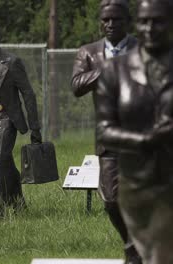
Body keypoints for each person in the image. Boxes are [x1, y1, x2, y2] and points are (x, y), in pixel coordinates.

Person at [95, 0, 173, 263]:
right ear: (136, 25)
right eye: (144, 21)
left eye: (158, 21)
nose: (150, 28)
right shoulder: (115, 70)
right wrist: (146, 140)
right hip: (137, 183)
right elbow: (105, 131)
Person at [70, 1, 141, 262]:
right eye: (106, 20)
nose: (110, 24)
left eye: (116, 20)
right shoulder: (88, 53)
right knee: (111, 201)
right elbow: (77, 85)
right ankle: (131, 243)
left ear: (127, 22)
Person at [0, 17, 42, 217]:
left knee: (0, 160)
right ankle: (19, 203)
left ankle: (1, 210)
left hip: (7, 116)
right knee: (3, 162)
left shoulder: (12, 62)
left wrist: (35, 128)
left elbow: (28, 94)